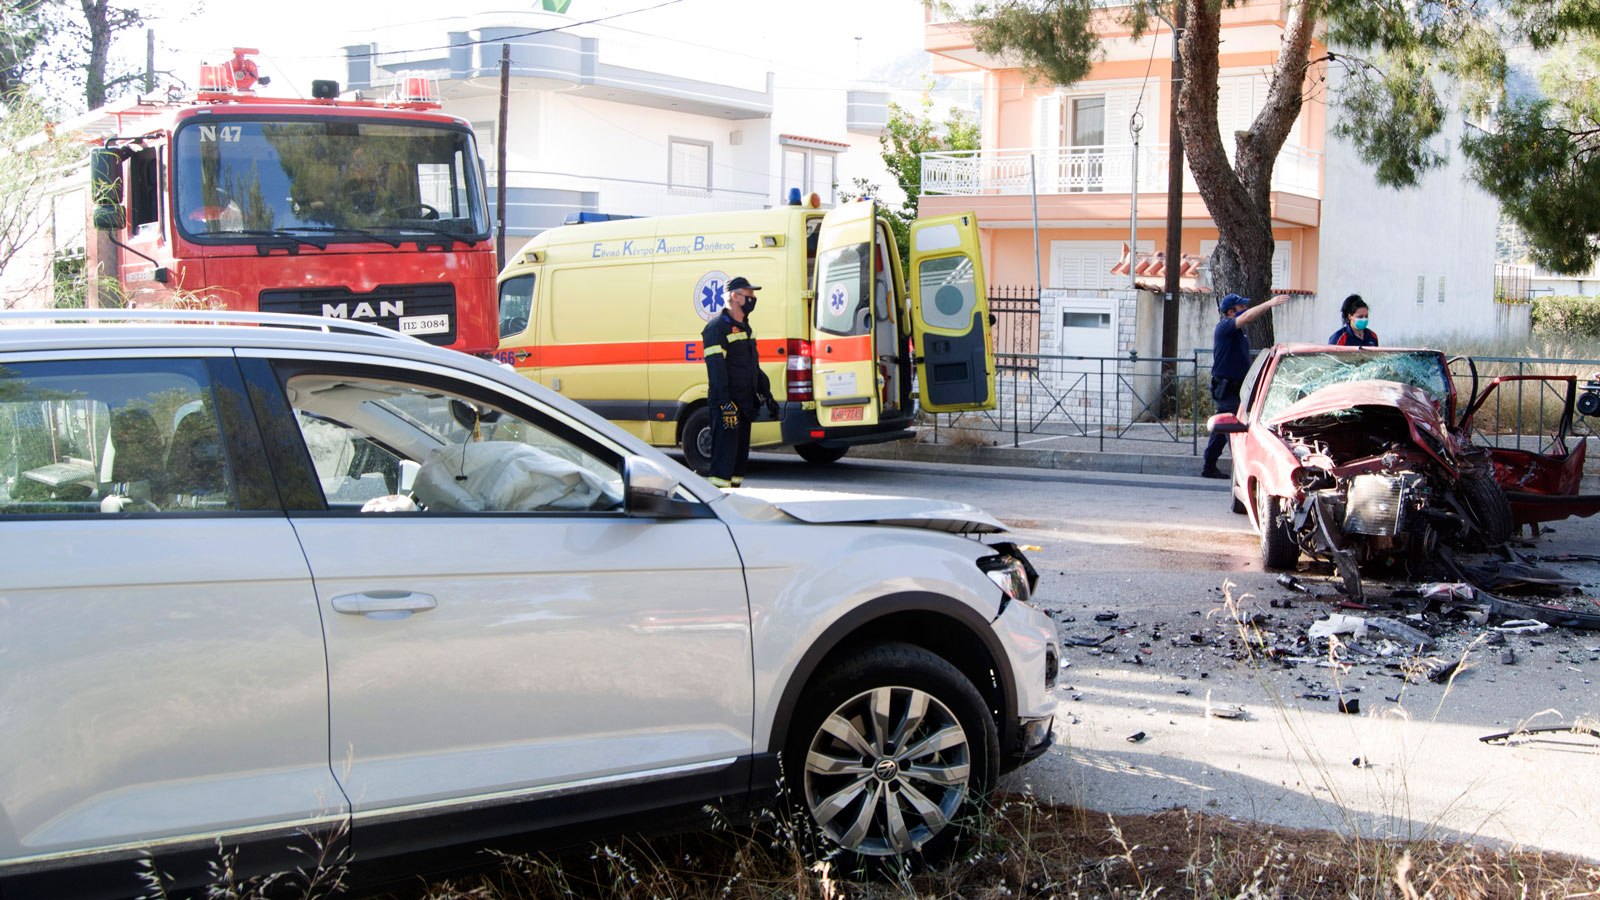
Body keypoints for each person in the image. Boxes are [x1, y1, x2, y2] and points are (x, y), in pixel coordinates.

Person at [1202, 291, 1289, 479]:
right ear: (1231, 312)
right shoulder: (1225, 327)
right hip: (1226, 387)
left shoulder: (1238, 331)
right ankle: (1241, 471)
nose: (1245, 310)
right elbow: (1249, 315)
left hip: (1236, 386)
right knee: (1233, 428)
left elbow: (1250, 316)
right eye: (1241, 307)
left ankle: (1209, 464)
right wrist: (1269, 303)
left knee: (1223, 425)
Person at [702, 276, 778, 488]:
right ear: (735, 297)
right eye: (749, 295)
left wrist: (766, 394)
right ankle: (718, 501)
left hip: (744, 404)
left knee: (738, 462)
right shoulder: (717, 328)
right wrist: (726, 406)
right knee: (724, 459)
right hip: (728, 406)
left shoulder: (745, 327)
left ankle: (734, 498)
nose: (753, 299)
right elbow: (716, 372)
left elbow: (753, 366)